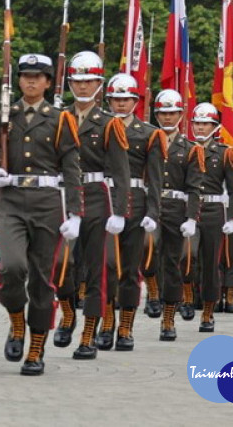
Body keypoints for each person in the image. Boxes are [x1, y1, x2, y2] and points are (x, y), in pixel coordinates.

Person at [0, 53, 83, 376]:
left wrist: (75, 213)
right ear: (18, 80)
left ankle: (36, 347)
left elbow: (72, 167)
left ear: (49, 82)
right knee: (11, 268)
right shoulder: (3, 116)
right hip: (10, 200)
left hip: (47, 202)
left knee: (41, 280)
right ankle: (16, 322)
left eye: (38, 76)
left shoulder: (60, 119)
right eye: (25, 76)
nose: (31, 81)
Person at [52, 51, 130, 359]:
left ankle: (88, 334)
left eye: (89, 81)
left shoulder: (109, 123)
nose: (83, 87)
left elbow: (122, 172)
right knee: (62, 264)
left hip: (98, 196)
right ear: (70, 83)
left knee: (98, 268)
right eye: (78, 81)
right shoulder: (59, 117)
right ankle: (68, 311)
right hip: (64, 195)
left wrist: (121, 212)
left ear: (99, 83)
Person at [98, 73, 165, 352]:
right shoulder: (98, 127)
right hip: (104, 199)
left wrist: (153, 211)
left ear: (136, 102)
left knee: (129, 269)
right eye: (116, 99)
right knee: (106, 266)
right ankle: (105, 322)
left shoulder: (149, 134)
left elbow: (156, 178)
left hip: (136, 203)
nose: (121, 104)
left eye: (126, 99)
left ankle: (126, 325)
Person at [150, 90, 202, 341]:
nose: (167, 117)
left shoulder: (190, 149)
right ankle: (151, 294)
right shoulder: (147, 140)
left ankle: (168, 317)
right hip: (149, 206)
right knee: (147, 252)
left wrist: (191, 217)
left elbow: (194, 187)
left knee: (171, 263)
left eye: (172, 113)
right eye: (163, 113)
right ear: (156, 114)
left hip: (175, 210)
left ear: (181, 115)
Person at [188, 103, 233, 331]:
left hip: (213, 212)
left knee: (211, 264)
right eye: (197, 123)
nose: (200, 128)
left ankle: (208, 313)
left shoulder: (225, 153)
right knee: (186, 257)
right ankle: (187, 299)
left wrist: (232, 218)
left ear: (214, 126)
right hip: (189, 210)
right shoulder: (186, 148)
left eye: (205, 124)